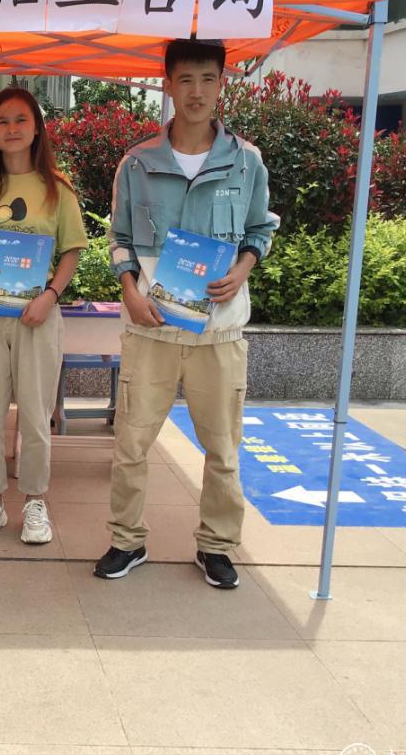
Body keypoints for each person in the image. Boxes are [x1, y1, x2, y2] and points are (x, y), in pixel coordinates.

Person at [94, 39, 279, 589]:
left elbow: (260, 228)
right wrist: (130, 290)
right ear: (168, 84)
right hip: (150, 329)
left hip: (219, 333)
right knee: (131, 445)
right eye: (186, 79)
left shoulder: (245, 161)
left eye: (207, 79)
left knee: (223, 449)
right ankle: (126, 540)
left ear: (222, 83)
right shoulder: (138, 162)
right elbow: (120, 238)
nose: (197, 91)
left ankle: (217, 546)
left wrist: (242, 269)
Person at [0, 87, 89, 545]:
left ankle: (34, 501)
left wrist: (50, 295)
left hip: (38, 313)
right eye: (2, 121)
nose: (11, 129)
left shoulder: (57, 187)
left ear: (36, 129)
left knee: (35, 416)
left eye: (20, 120)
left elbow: (71, 251)